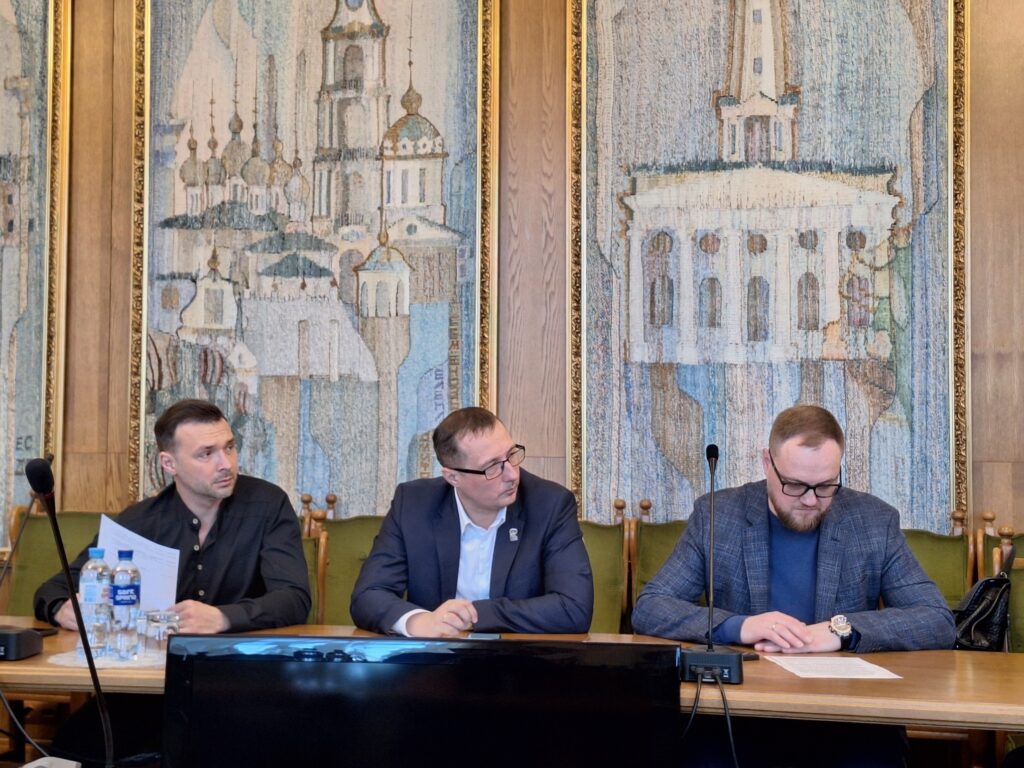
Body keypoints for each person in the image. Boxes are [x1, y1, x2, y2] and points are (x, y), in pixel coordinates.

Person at [632, 404, 955, 767]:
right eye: (796, 484)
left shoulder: (874, 521)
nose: (810, 499)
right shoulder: (718, 515)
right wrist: (738, 626)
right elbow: (651, 606)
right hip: (740, 718)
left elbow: (936, 619)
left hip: (847, 719)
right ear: (767, 463)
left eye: (826, 485)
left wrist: (839, 631)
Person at [35, 399, 310, 766]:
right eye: (206, 453)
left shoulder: (267, 505)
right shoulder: (140, 521)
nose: (226, 463)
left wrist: (223, 617)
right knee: (74, 745)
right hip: (150, 692)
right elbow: (54, 588)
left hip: (242, 685)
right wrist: (62, 608)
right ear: (169, 463)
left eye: (229, 447)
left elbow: (294, 598)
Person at [351, 406, 593, 636]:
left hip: (519, 658)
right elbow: (368, 595)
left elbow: (574, 608)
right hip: (436, 658)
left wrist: (473, 616)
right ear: (453, 477)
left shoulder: (549, 504)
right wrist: (419, 621)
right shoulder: (414, 505)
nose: (512, 474)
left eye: (511, 455)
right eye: (493, 467)